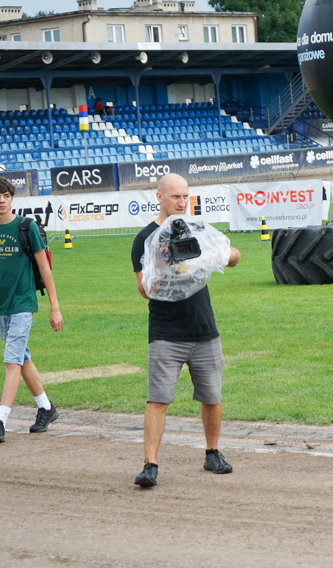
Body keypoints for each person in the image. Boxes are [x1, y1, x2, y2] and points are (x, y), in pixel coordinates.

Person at [131, 173, 241, 487]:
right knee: (158, 399)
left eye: (185, 196)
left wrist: (209, 254)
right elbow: (143, 288)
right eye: (175, 196)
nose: (181, 202)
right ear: (159, 197)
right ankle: (150, 464)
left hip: (204, 326)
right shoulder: (145, 239)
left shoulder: (197, 231)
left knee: (212, 396)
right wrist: (162, 262)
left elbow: (234, 258)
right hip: (166, 330)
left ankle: (212, 453)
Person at [0, 177, 63, 443]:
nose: (2, 200)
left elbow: (45, 268)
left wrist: (54, 307)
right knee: (21, 357)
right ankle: (46, 408)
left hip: (23, 302)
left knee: (12, 360)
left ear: (12, 198)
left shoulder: (26, 227)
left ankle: (0, 420)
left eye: (6, 196)